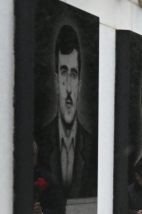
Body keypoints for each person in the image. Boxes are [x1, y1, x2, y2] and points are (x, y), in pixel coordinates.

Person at [37, 24, 97, 202]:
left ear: (79, 83)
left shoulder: (91, 146)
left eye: (73, 74)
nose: (69, 89)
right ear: (56, 81)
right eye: (64, 73)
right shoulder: (41, 141)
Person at [32, 142, 66, 214]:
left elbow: (60, 212)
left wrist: (42, 213)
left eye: (32, 155)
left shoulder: (47, 178)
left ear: (36, 155)